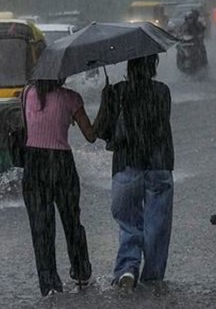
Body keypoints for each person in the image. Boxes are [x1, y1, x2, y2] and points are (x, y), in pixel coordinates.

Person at [96, 54, 174, 290]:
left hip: (126, 165)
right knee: (157, 226)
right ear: (153, 66)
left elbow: (103, 132)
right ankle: (152, 278)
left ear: (129, 67)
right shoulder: (162, 91)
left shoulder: (117, 92)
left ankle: (127, 269)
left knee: (129, 224)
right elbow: (159, 125)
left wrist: (107, 98)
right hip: (159, 165)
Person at [22, 78, 96, 297]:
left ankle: (50, 285)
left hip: (33, 164)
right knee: (72, 221)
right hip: (62, 163)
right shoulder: (71, 97)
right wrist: (108, 106)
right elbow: (90, 136)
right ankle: (81, 271)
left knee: (41, 228)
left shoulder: (26, 94)